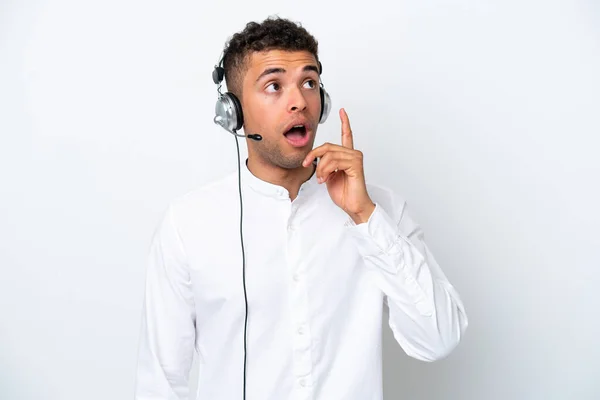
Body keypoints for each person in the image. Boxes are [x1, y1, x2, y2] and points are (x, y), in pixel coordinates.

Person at [134, 16, 468, 400]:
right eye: (274, 86)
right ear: (234, 112)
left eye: (309, 83)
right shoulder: (188, 224)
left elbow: (439, 339)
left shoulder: (381, 211)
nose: (299, 101)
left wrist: (365, 218)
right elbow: (160, 384)